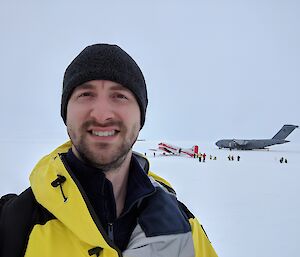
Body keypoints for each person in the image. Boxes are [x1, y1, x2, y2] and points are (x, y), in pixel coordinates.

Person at [0, 44, 217, 257]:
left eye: (120, 96)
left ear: (140, 116)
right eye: (86, 94)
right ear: (66, 113)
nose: (102, 114)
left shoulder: (184, 229)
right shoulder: (13, 226)